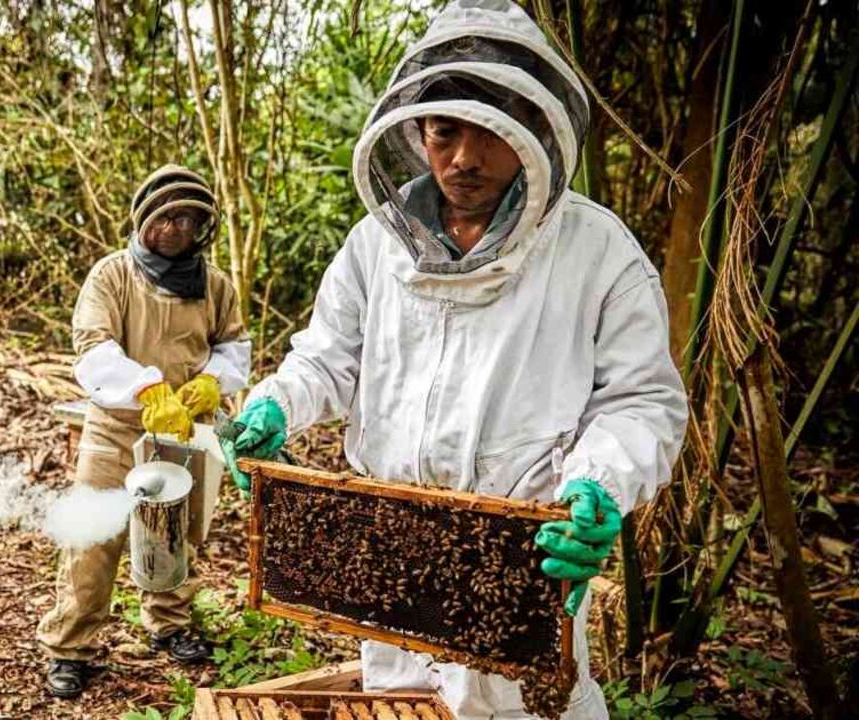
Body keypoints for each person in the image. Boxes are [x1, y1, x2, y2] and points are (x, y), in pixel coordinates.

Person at [225, 1, 687, 718]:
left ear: (534, 133)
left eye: (490, 134)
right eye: (445, 131)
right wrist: (277, 401)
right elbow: (327, 357)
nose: (464, 158)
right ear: (417, 131)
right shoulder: (374, 243)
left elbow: (641, 402)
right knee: (403, 703)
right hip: (391, 567)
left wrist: (599, 484)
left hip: (521, 564)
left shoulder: (598, 251)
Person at [37, 164, 251, 699]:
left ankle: (171, 624)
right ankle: (71, 645)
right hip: (115, 430)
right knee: (93, 537)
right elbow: (93, 348)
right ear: (144, 219)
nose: (179, 228)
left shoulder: (216, 285)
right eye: (170, 217)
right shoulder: (112, 276)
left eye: (191, 219)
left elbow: (233, 348)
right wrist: (145, 390)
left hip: (184, 433)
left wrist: (210, 383)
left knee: (173, 531)